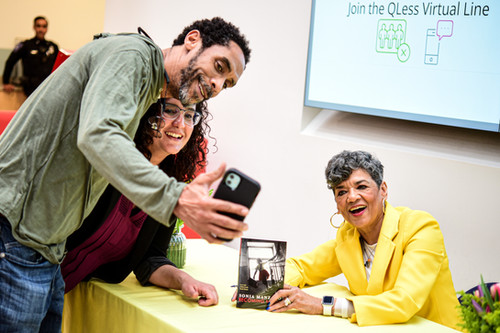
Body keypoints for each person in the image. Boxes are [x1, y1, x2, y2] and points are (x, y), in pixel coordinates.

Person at [0, 17, 250, 332]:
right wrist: (175, 197)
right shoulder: (133, 54)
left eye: (226, 83)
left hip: (46, 248)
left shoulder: (146, 91)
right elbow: (98, 135)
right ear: (192, 40)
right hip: (15, 232)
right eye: (219, 66)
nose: (217, 85)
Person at [268, 150, 460, 330]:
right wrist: (257, 287)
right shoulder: (348, 236)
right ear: (337, 204)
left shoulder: (420, 227)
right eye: (341, 192)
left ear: (383, 189)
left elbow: (404, 301)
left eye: (361, 187)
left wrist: (322, 305)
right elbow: (301, 267)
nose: (352, 197)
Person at [62, 98, 217, 305]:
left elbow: (151, 258)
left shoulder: (169, 188)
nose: (180, 123)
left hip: (58, 289)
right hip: (27, 271)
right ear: (147, 114)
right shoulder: (108, 160)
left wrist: (184, 280)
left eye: (189, 115)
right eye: (170, 111)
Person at [2, 16, 59, 96]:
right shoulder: (25, 45)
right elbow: (10, 61)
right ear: (34, 27)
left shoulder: (53, 47)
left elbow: (60, 66)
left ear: (47, 29)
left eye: (44, 26)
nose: (41, 29)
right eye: (38, 26)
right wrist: (6, 82)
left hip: (47, 88)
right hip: (30, 89)